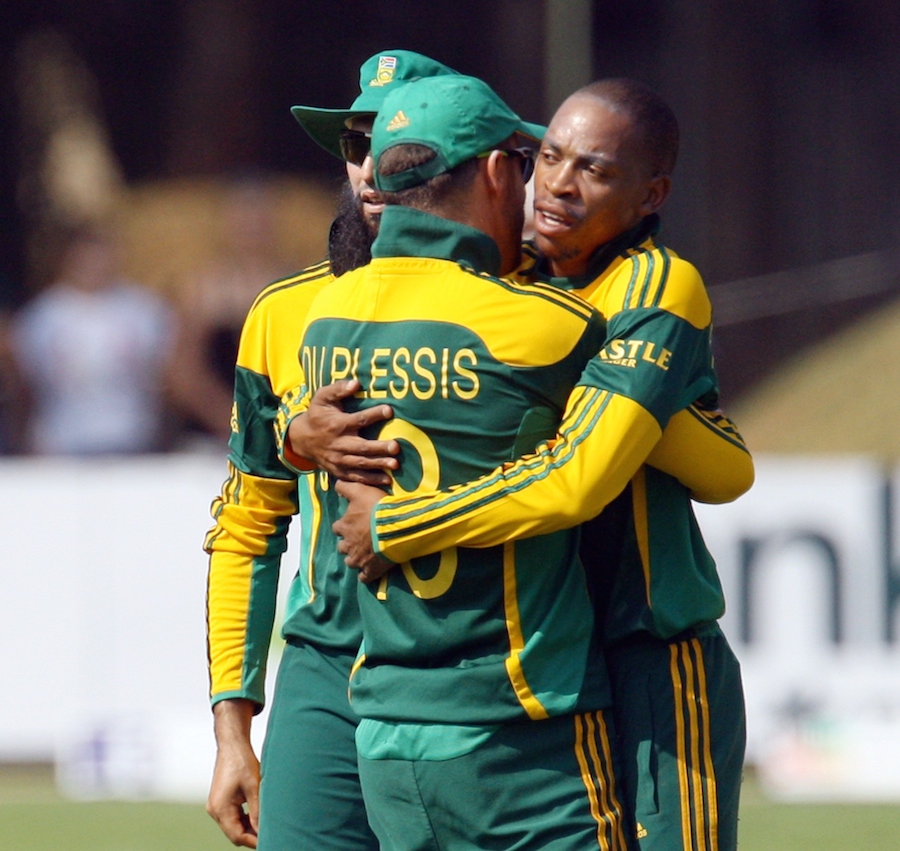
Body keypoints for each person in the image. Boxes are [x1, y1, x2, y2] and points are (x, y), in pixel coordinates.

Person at [328, 79, 752, 851]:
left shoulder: (655, 283)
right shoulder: (508, 279)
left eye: (595, 169)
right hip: (553, 665)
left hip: (652, 641)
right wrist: (302, 431)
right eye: (549, 155)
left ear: (650, 193)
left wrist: (400, 524)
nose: (559, 182)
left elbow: (692, 472)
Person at [275, 71, 630, 851]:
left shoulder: (324, 316)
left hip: (387, 733)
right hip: (517, 732)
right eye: (525, 158)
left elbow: (286, 449)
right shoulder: (553, 328)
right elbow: (697, 466)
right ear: (499, 170)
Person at [203, 50, 458, 850]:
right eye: (356, 145)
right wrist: (233, 727)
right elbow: (246, 524)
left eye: (397, 145)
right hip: (325, 667)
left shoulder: (516, 306)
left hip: (467, 667)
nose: (373, 167)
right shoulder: (281, 313)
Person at [11, 223, 173, 455]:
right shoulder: (41, 318)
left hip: (132, 438)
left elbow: (164, 381)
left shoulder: (145, 311)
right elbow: (26, 388)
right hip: (63, 442)